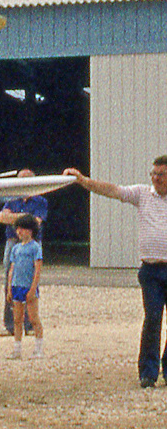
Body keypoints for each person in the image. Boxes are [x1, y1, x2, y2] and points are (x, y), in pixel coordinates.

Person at [65, 159, 167, 387]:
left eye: (161, 174)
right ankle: (148, 373)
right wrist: (83, 181)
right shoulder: (142, 194)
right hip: (151, 270)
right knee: (153, 319)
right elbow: (113, 190)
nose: (156, 178)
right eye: (154, 173)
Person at [0, 169, 48, 335]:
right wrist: (25, 217)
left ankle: (30, 324)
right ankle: (11, 325)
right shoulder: (11, 199)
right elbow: (1, 217)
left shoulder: (40, 201)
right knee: (10, 280)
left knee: (31, 279)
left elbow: (36, 222)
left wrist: (14, 217)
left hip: (32, 243)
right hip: (12, 242)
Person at [6, 213, 44, 359]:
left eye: (23, 228)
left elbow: (38, 269)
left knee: (33, 318)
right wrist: (9, 287)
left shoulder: (35, 247)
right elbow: (12, 269)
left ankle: (38, 349)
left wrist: (33, 287)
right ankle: (17, 349)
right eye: (18, 229)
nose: (19, 232)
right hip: (17, 286)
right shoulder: (15, 248)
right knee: (17, 319)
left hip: (28, 286)